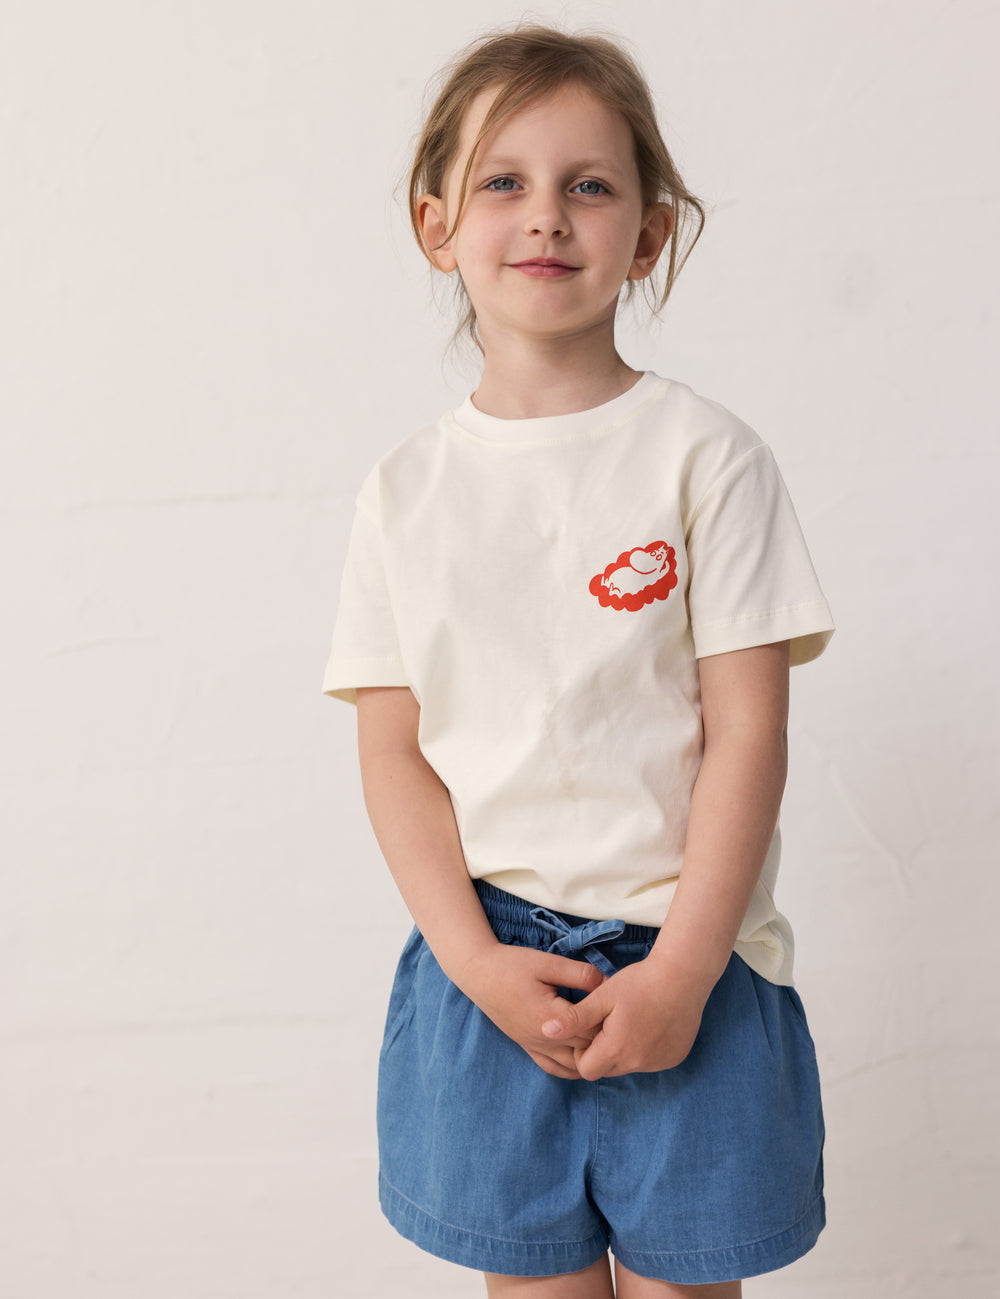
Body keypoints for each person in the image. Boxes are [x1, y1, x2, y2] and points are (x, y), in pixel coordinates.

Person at [322, 24, 834, 1299]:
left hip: (689, 961)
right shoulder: (403, 492)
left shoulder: (706, 460)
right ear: (436, 225)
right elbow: (393, 758)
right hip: (491, 971)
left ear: (649, 233)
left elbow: (747, 740)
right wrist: (474, 961)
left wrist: (682, 970)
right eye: (504, 181)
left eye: (588, 185)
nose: (545, 216)